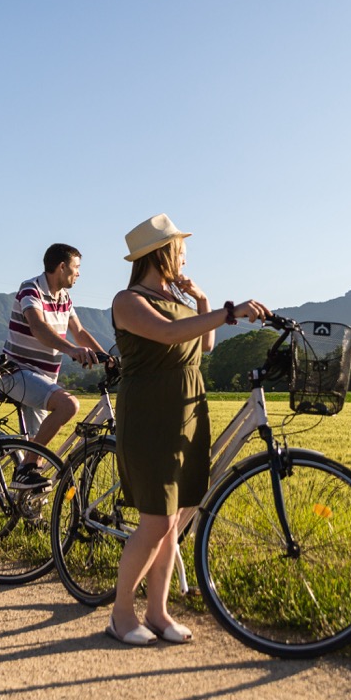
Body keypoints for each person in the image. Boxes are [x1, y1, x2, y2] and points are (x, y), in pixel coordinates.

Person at [107, 213, 268, 645]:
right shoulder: (129, 300)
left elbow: (203, 344)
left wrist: (202, 300)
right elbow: (168, 334)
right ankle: (121, 613)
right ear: (162, 253)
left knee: (177, 520)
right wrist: (226, 311)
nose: (185, 256)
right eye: (180, 248)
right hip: (150, 415)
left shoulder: (178, 300)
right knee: (156, 521)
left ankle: (158, 612)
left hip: (188, 411)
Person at [0, 243, 108, 490]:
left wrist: (106, 358)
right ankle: (24, 469)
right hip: (16, 372)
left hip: (42, 380)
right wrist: (70, 350)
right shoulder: (31, 289)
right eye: (76, 267)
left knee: (38, 459)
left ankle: (28, 503)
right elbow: (38, 327)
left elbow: (78, 331)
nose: (78, 273)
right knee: (69, 405)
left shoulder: (64, 298)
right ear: (61, 267)